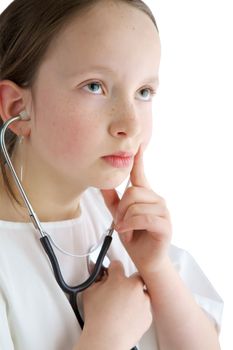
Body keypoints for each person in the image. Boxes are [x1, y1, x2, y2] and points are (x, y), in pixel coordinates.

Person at [0, 0, 223, 349]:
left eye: (144, 92)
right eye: (94, 86)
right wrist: (106, 338)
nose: (130, 125)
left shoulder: (118, 220)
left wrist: (156, 267)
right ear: (19, 108)